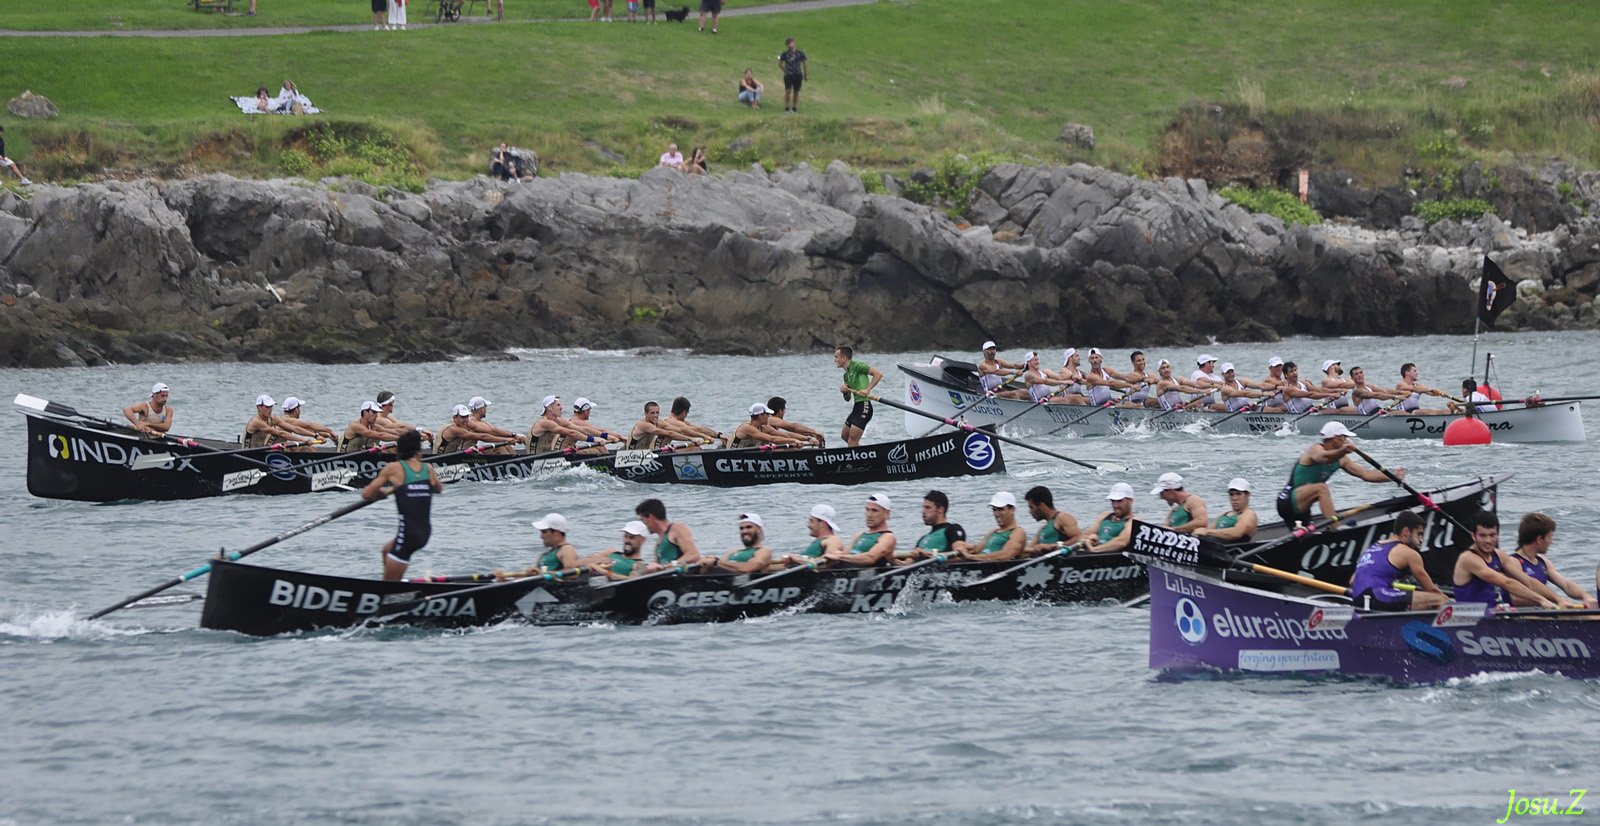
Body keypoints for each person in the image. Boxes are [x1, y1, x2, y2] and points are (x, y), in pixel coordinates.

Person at [1274, 421, 1396, 527]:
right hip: (1287, 502)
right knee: (1322, 489)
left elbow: (1366, 474)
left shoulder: (1342, 460)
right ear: (1337, 438)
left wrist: (1393, 477)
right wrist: (1343, 450)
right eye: (1345, 437)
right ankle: (1335, 527)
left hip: (1304, 508)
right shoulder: (1315, 449)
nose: (1347, 440)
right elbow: (1322, 457)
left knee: (1303, 541)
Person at [362, 429, 442, 580]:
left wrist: (381, 493)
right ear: (418, 450)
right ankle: (398, 587)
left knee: (387, 587)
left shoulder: (393, 468)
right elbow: (438, 488)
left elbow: (366, 494)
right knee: (386, 551)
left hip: (408, 535)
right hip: (425, 533)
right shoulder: (428, 469)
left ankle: (390, 596)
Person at [1452, 511, 1566, 609]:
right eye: (1482, 536)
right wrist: (1541, 600)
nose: (1488, 540)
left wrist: (1558, 599)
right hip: (1468, 617)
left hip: (1492, 615)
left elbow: (1528, 581)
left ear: (1498, 534)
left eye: (1492, 535)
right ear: (1473, 536)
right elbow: (1507, 583)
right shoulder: (1468, 559)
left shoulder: (1499, 556)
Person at [1347, 511, 1448, 611]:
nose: (1421, 539)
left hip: (1358, 599)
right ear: (1406, 532)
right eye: (1419, 534)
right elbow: (1430, 589)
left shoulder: (1373, 547)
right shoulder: (1409, 553)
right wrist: (1450, 602)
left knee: (1416, 598)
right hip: (1378, 596)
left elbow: (1352, 581)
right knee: (1439, 599)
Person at [1508, 512, 1596, 608]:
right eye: (1550, 537)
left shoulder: (1543, 562)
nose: (1551, 542)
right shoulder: (1513, 561)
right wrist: (1552, 601)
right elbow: (1515, 599)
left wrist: (1585, 596)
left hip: (1543, 611)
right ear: (1539, 539)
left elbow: (1566, 585)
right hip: (1521, 616)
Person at [499, 513, 580, 579]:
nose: (541, 536)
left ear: (557, 533)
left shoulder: (566, 549)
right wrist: (504, 578)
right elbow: (530, 576)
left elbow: (572, 574)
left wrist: (541, 573)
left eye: (544, 532)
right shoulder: (545, 554)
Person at [952, 491, 1028, 561]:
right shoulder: (993, 532)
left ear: (1012, 509)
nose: (996, 514)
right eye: (994, 510)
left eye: (1001, 509)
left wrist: (970, 556)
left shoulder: (1018, 532)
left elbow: (1006, 555)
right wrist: (965, 548)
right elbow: (975, 550)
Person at [835, 345, 882, 447]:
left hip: (865, 405)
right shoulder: (846, 375)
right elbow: (847, 399)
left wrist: (868, 389)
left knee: (852, 439)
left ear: (843, 358)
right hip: (856, 407)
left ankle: (861, 461)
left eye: (836, 357)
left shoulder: (857, 366)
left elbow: (878, 374)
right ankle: (860, 454)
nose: (835, 360)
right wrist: (845, 392)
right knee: (845, 436)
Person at [636, 498, 702, 570]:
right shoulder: (658, 544)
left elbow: (694, 555)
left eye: (643, 520)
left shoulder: (677, 528)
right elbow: (657, 567)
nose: (643, 524)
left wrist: (667, 566)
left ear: (651, 518)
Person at [527, 394, 604, 455]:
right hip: (534, 459)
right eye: (558, 405)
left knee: (600, 448)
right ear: (550, 408)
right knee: (597, 451)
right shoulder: (545, 422)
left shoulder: (558, 420)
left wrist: (606, 436)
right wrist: (594, 439)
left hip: (548, 455)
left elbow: (582, 429)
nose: (561, 407)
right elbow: (571, 433)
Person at [902, 490, 966, 561]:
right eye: (923, 507)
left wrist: (928, 555)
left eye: (927, 508)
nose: (923, 511)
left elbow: (960, 556)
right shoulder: (922, 539)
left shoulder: (953, 529)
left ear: (940, 510)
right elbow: (906, 564)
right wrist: (891, 558)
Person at [775, 504, 845, 568]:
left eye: (811, 521)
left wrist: (798, 559)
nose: (808, 525)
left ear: (822, 524)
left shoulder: (833, 540)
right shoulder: (820, 541)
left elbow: (827, 563)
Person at [700, 514, 774, 573]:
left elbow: (748, 568)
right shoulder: (734, 551)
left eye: (749, 527)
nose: (744, 531)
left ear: (759, 530)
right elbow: (719, 565)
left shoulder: (763, 551)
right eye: (741, 528)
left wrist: (716, 562)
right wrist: (706, 565)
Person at [837, 492, 896, 566]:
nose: (869, 515)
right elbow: (844, 554)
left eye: (874, 511)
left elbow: (870, 558)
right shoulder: (859, 534)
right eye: (867, 510)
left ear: (886, 514)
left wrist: (839, 557)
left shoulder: (888, 537)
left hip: (869, 574)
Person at [1193, 478, 1258, 542]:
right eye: (1231, 494)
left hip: (1231, 550)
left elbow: (1236, 533)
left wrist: (1207, 532)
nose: (1234, 498)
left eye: (1238, 494)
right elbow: (1206, 531)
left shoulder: (1249, 514)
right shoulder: (1224, 514)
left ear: (1247, 495)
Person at [1024, 486, 1081, 554]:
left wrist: (1052, 546)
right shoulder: (1042, 530)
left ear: (1041, 505)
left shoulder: (1063, 518)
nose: (1030, 511)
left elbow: (1079, 539)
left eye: (1031, 507)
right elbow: (1027, 551)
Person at [1082, 483, 1136, 553]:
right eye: (1113, 501)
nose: (1115, 505)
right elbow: (1083, 537)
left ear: (1130, 501)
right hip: (1096, 553)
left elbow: (1121, 542)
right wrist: (1090, 540)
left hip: (1113, 557)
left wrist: (1094, 549)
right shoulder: (1104, 515)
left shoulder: (1133, 520)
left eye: (1119, 501)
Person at [628, 400, 703, 450]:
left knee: (696, 448)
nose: (655, 415)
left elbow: (680, 430)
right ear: (645, 414)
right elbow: (669, 433)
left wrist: (703, 436)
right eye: (652, 413)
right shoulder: (643, 425)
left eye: (657, 412)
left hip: (646, 454)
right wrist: (691, 439)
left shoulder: (659, 422)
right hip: (630, 457)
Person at [438, 404, 511, 453]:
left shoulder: (467, 422)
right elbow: (482, 437)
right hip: (442, 458)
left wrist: (513, 435)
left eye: (467, 416)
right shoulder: (453, 429)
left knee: (501, 446)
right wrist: (507, 440)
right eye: (462, 417)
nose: (466, 419)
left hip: (455, 453)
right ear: (455, 418)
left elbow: (490, 430)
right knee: (500, 446)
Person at [731, 403, 809, 448]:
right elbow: (772, 439)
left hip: (748, 455)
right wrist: (793, 440)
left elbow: (786, 434)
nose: (769, 416)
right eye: (767, 414)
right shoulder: (747, 428)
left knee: (793, 448)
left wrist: (808, 439)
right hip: (732, 457)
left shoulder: (764, 427)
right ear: (760, 415)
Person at [779, 37, 808, 113]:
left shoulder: (800, 53)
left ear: (794, 43)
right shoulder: (785, 54)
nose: (789, 45)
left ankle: (794, 107)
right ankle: (787, 107)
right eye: (788, 44)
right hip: (788, 75)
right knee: (788, 90)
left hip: (798, 74)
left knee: (796, 91)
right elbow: (780, 64)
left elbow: (805, 63)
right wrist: (785, 71)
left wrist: (805, 74)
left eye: (790, 43)